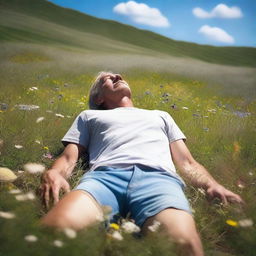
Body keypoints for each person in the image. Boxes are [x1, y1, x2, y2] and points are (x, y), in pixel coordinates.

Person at [41, 71, 243, 256]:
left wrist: (212, 184)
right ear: (99, 98)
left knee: (185, 245)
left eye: (117, 75)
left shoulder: (161, 115)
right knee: (52, 231)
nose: (117, 75)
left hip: (159, 181)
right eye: (107, 79)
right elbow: (69, 157)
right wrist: (56, 173)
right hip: (103, 180)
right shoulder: (89, 116)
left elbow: (188, 163)